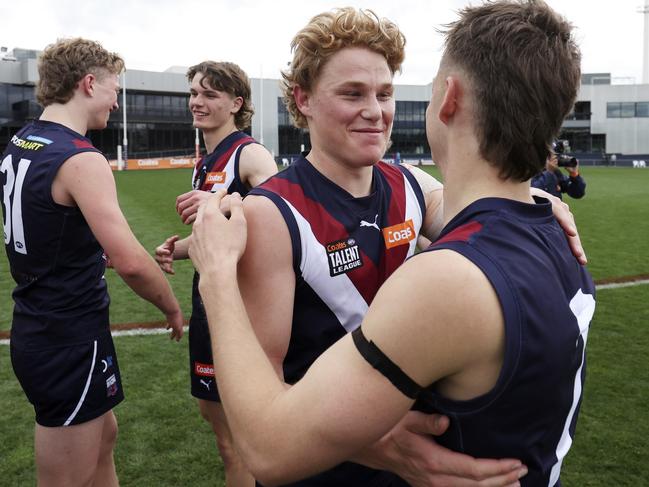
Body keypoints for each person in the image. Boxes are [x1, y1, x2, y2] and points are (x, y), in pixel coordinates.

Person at [189, 1, 595, 486]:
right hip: (321, 466)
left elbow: (474, 214)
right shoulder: (272, 214)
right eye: (352, 93)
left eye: (385, 93)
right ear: (304, 100)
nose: (375, 111)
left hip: (408, 467)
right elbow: (258, 392)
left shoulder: (409, 184)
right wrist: (371, 441)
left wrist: (538, 202)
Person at [2, 38, 184, 486]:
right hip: (66, 335)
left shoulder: (22, 141)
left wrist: (84, 253)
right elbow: (133, 264)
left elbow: (47, 227)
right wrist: (171, 307)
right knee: (69, 477)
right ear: (88, 84)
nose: (117, 102)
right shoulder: (80, 157)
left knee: (104, 438)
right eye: (113, 89)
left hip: (48, 324)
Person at [154, 60, 277, 486]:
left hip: (239, 306)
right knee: (215, 417)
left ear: (236, 103)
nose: (197, 102)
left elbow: (280, 206)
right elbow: (219, 232)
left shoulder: (249, 153)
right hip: (208, 298)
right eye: (194, 93)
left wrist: (221, 204)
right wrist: (178, 248)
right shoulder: (205, 162)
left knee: (236, 442)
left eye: (209, 94)